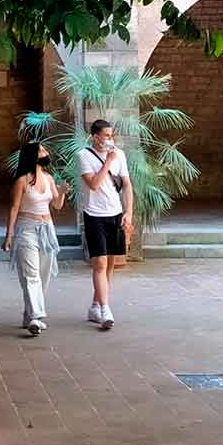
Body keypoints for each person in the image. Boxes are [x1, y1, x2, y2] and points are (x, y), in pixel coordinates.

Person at [2, 141, 65, 335]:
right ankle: (36, 317)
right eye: (42, 150)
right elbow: (14, 208)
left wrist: (61, 193)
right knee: (31, 274)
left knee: (43, 274)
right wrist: (9, 235)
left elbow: (57, 205)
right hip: (26, 229)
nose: (46, 153)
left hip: (47, 229)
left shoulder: (48, 178)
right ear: (33, 155)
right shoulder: (22, 180)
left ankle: (29, 315)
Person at [76, 119, 133, 330]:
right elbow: (93, 184)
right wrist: (108, 162)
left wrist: (129, 213)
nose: (110, 139)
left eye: (111, 135)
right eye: (106, 135)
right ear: (95, 136)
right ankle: (106, 309)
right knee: (99, 263)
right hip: (94, 215)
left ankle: (95, 306)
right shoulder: (84, 156)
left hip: (115, 213)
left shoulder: (120, 155)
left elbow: (126, 185)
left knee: (109, 264)